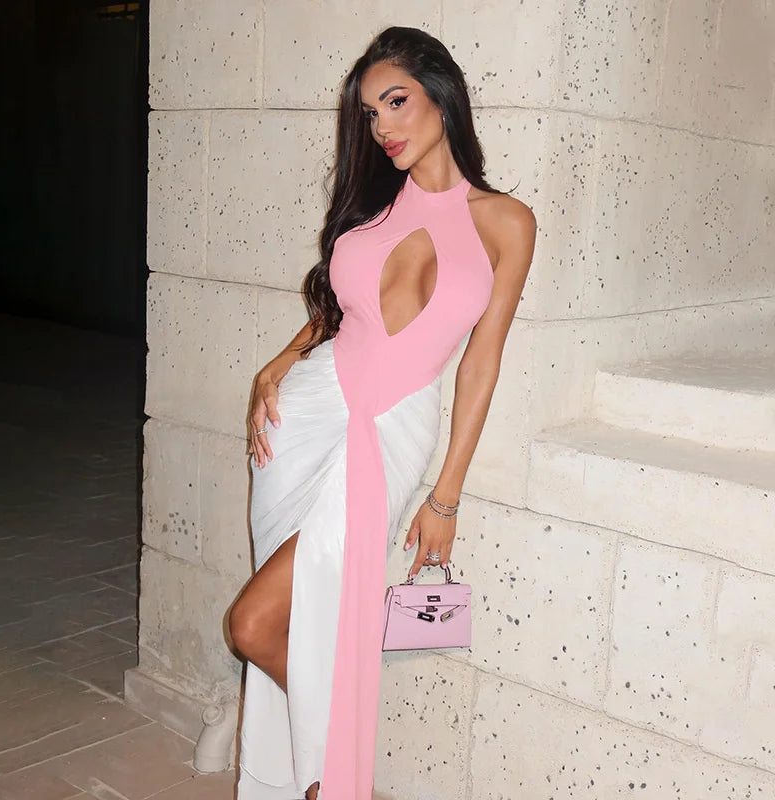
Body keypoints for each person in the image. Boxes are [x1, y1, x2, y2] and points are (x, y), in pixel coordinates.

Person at [228, 25, 536, 800]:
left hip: (392, 430)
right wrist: (284, 357)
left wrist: (445, 495)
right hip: (308, 416)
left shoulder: (505, 221)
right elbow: (341, 308)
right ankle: (330, 784)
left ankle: (336, 779)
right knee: (300, 620)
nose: (382, 127)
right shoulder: (371, 205)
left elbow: (481, 362)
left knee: (255, 626)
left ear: (441, 96)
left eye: (394, 102)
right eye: (369, 114)